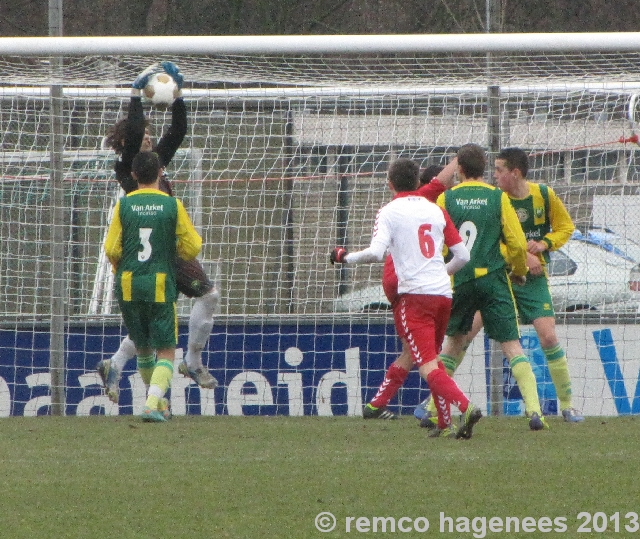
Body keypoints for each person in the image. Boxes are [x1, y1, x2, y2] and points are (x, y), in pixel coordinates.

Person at [416, 148, 584, 425]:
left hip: (524, 278)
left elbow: (565, 227)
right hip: (500, 276)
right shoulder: (497, 198)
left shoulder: (543, 195)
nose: (495, 175)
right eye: (492, 170)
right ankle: (435, 401)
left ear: (514, 173)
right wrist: (520, 259)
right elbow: (502, 241)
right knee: (469, 339)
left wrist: (544, 244)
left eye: (500, 170)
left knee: (548, 337)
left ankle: (567, 405)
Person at [331, 158, 482, 439]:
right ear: (417, 182)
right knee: (433, 360)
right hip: (442, 295)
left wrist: (345, 257)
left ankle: (467, 406)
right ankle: (444, 423)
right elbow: (463, 256)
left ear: (390, 184)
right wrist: (438, 273)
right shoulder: (435, 209)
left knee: (426, 365)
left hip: (414, 296)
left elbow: (377, 253)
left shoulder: (389, 211)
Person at [97, 62, 219, 405]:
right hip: (152, 254)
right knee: (179, 312)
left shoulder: (153, 164)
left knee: (186, 306)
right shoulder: (128, 167)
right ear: (127, 143)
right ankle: (182, 368)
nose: (150, 138)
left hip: (162, 251)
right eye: (145, 136)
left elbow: (177, 131)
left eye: (151, 135)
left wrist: (178, 96)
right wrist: (135, 94)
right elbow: (135, 130)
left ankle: (118, 364)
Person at [104, 151, 202, 422]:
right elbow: (193, 246)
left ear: (133, 175)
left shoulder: (123, 205)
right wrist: (174, 249)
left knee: (144, 346)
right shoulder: (173, 206)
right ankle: (151, 403)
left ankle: (157, 403)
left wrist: (121, 266)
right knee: (167, 350)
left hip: (127, 284)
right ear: (160, 172)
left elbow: (111, 248)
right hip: (159, 283)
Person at [369, 161, 457, 421]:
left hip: (397, 281)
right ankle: (457, 408)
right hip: (411, 284)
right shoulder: (424, 200)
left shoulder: (402, 206)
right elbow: (440, 182)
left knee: (413, 350)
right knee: (427, 357)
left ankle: (377, 403)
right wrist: (460, 159)